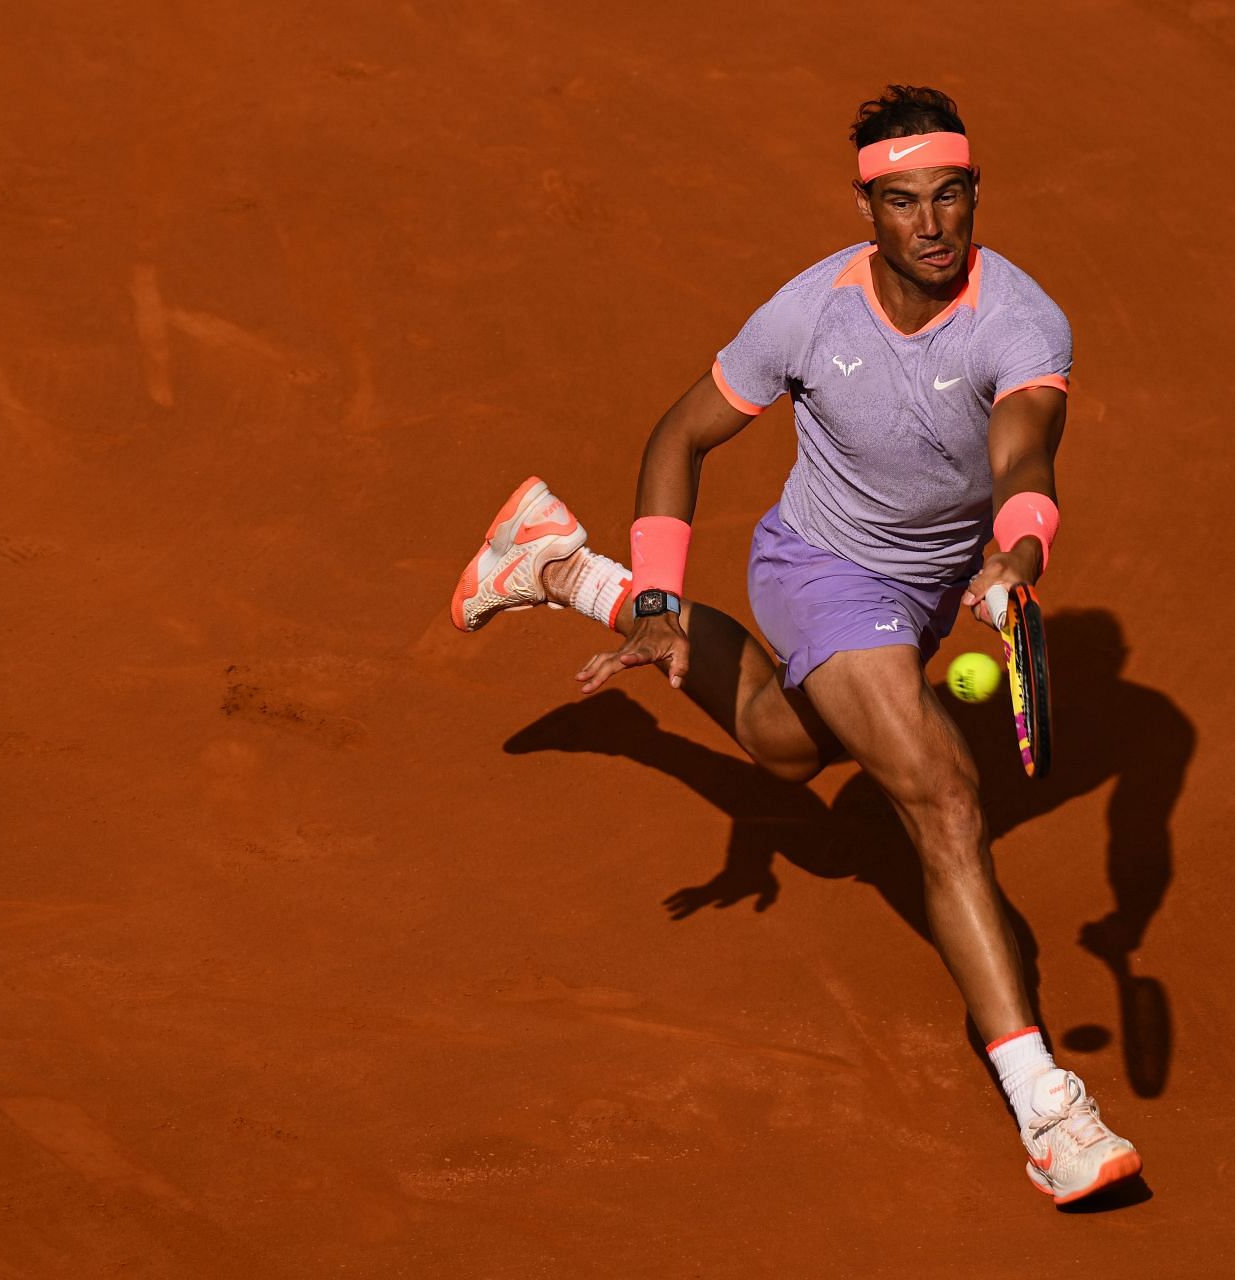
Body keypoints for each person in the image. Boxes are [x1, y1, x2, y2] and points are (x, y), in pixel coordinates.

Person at [449, 85, 1140, 1206]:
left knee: (784, 747)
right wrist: (674, 585)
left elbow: (1025, 457)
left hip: (924, 594)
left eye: (950, 196)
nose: (932, 225)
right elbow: (680, 434)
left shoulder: (1022, 318)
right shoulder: (807, 315)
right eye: (904, 201)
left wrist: (1018, 554)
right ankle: (1046, 1105)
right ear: (868, 209)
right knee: (944, 796)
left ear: (975, 195)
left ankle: (565, 567)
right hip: (818, 569)